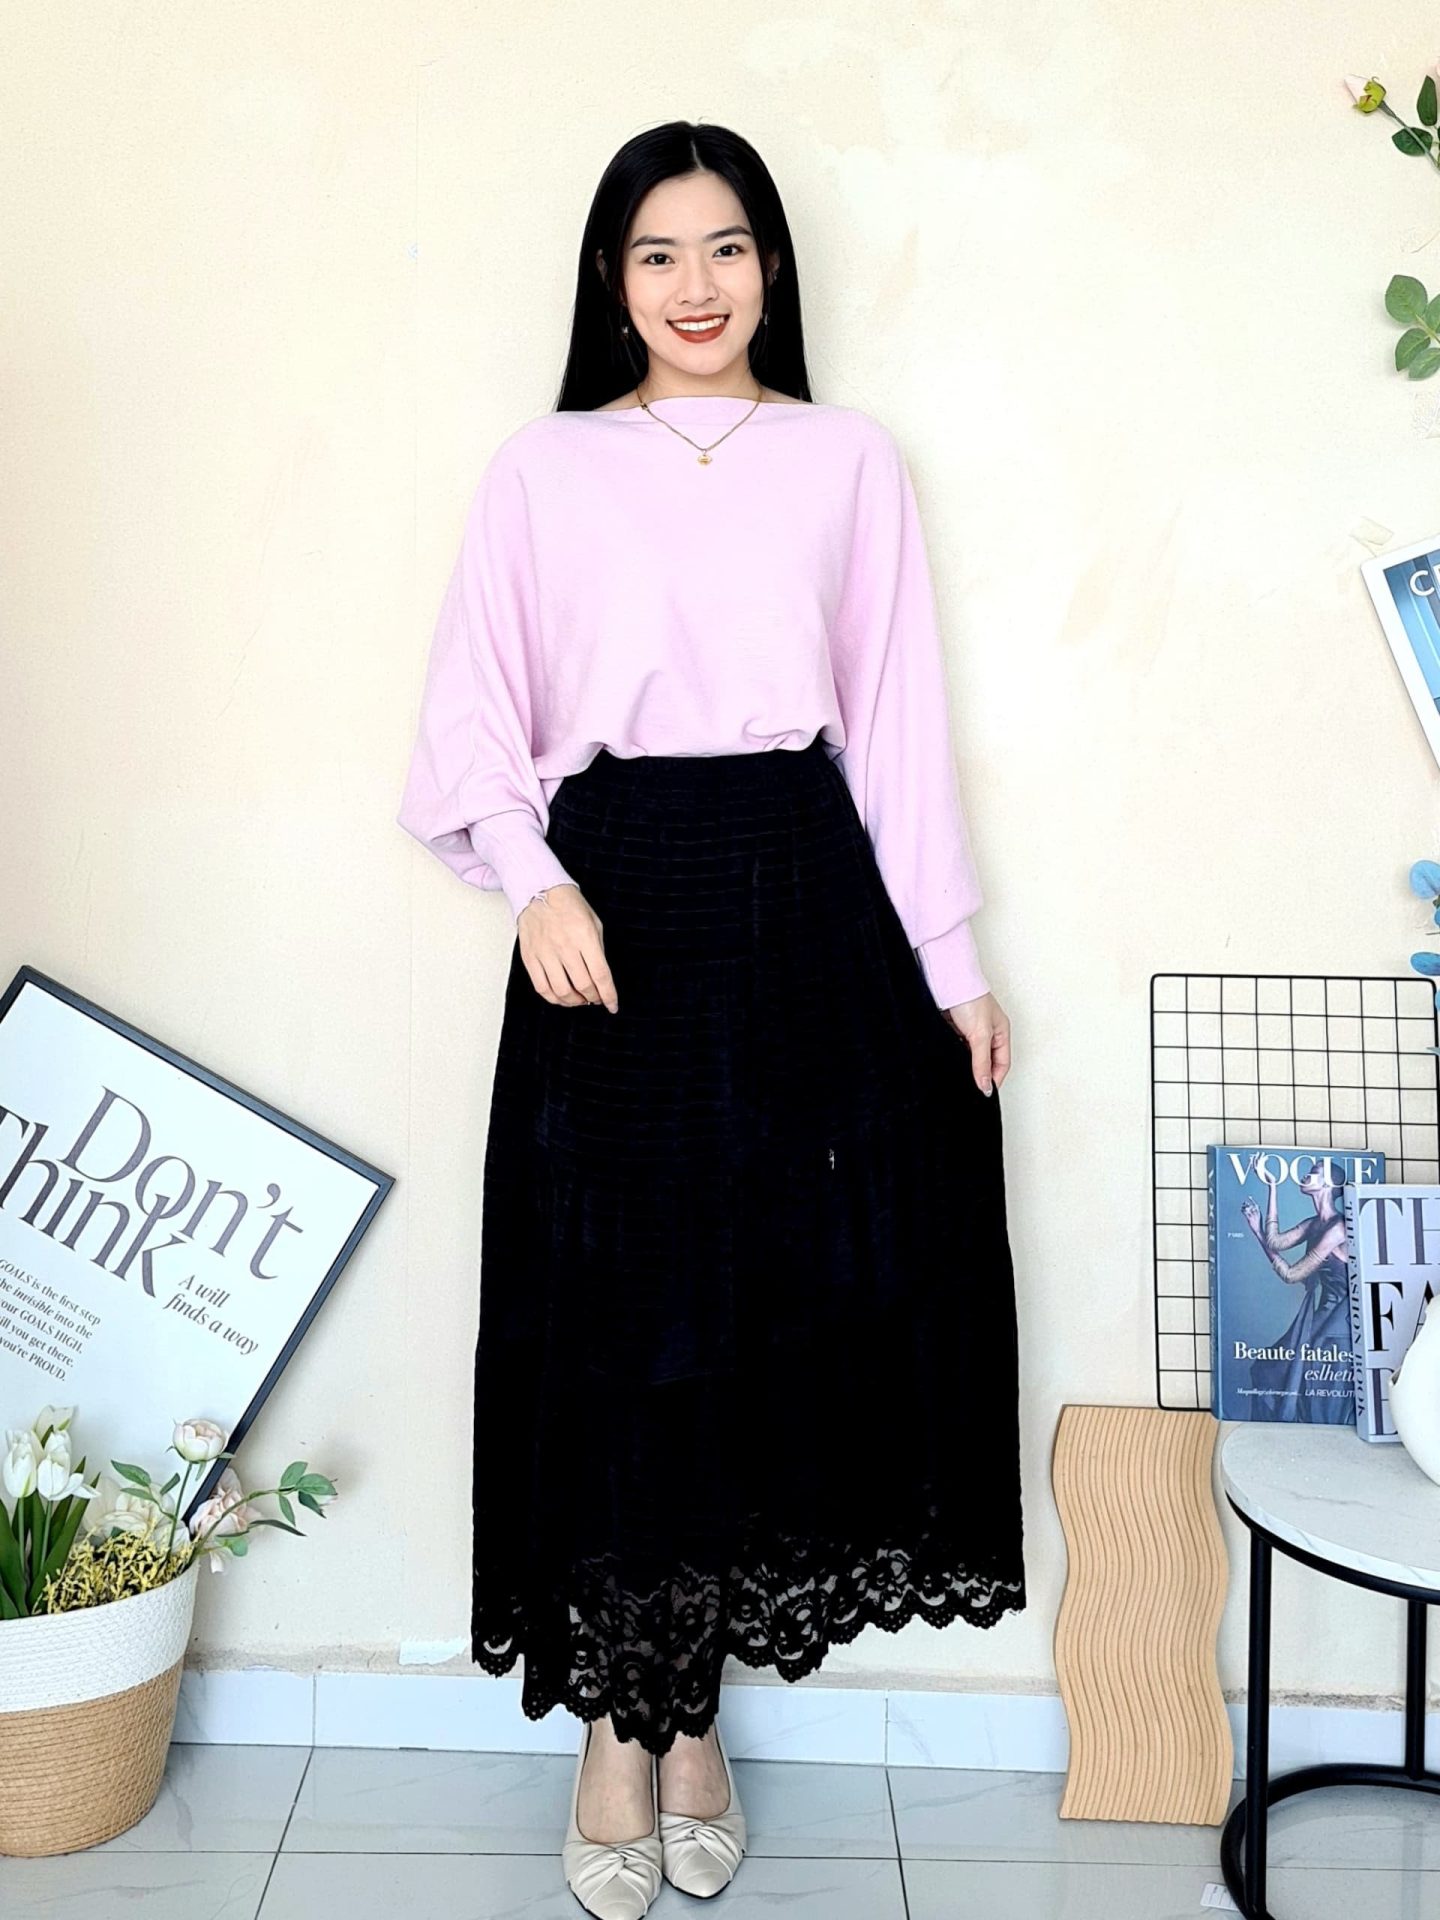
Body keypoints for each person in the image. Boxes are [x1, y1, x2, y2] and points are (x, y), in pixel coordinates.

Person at [396, 118, 1026, 1919]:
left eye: (728, 246)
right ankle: (621, 1723)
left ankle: (696, 1730)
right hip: (615, 901)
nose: (697, 284)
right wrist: (535, 882)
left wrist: (952, 961)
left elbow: (896, 723)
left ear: (771, 268)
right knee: (619, 1315)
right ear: (614, 280)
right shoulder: (544, 469)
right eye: (660, 252)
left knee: (769, 1306)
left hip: (804, 892)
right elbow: (471, 710)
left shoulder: (847, 459)